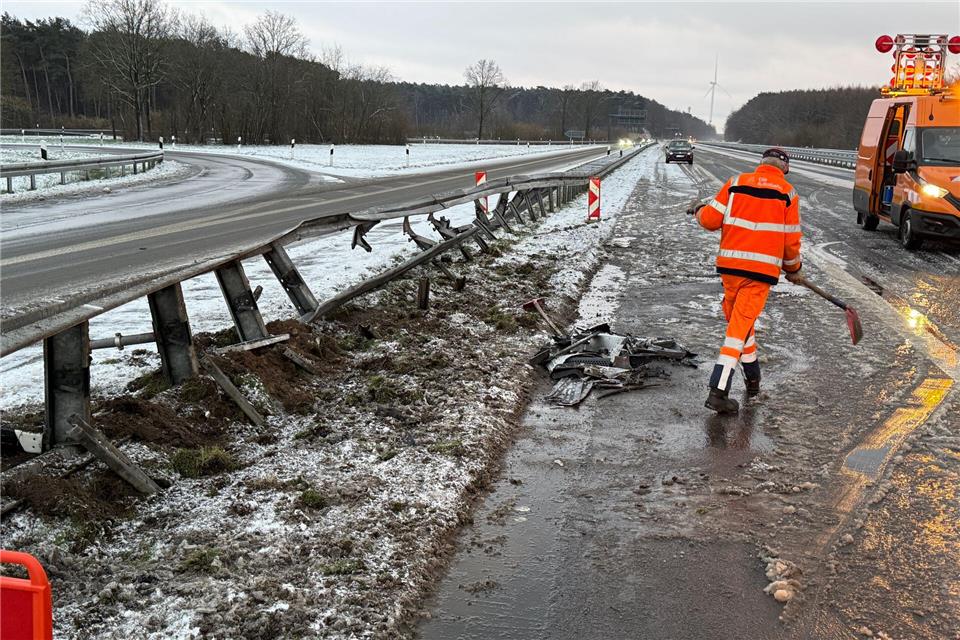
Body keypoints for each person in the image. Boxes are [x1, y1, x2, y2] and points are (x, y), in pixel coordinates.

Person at [692, 148, 803, 413]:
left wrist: (698, 211)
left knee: (739, 323)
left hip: (730, 268)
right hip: (760, 274)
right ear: (784, 168)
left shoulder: (735, 183)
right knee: (738, 328)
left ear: (760, 164)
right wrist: (794, 268)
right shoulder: (788, 193)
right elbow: (790, 241)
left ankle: (753, 378)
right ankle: (718, 391)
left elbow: (709, 220)